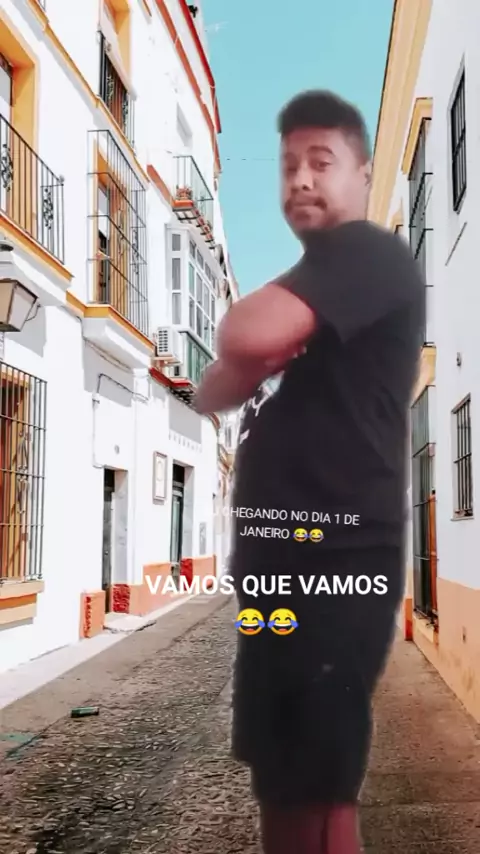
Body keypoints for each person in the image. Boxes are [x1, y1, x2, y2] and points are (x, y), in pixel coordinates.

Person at [195, 90, 424, 854]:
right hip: (290, 570)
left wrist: (257, 342)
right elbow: (215, 388)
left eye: (320, 161)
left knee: (312, 790)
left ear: (362, 174)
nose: (299, 178)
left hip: (332, 564)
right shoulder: (320, 284)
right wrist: (257, 350)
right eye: (289, 163)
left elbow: (243, 335)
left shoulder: (364, 254)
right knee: (293, 782)